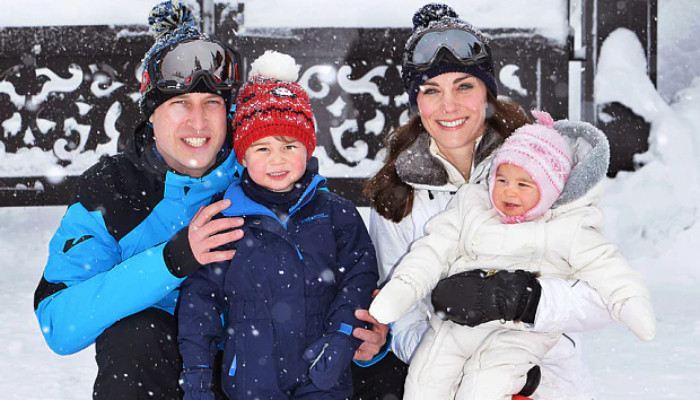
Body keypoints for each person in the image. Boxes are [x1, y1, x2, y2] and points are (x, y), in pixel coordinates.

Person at [32, 2, 385, 399]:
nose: (198, 122)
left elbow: (337, 266)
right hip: (174, 370)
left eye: (211, 103)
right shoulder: (114, 189)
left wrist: (369, 339)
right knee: (134, 336)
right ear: (151, 113)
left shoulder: (263, 166)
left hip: (267, 363)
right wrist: (171, 261)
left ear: (229, 111)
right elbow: (58, 325)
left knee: (381, 369)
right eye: (180, 103)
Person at [363, 4, 618, 400]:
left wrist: (521, 300)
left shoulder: (541, 165)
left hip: (544, 379)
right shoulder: (399, 194)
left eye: (464, 86)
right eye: (431, 91)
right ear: (416, 102)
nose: (448, 106)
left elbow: (600, 296)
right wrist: (455, 351)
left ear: (487, 92)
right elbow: (405, 320)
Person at [369, 110, 657, 399]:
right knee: (425, 378)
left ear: (549, 189)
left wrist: (628, 300)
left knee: (484, 384)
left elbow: (606, 266)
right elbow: (432, 249)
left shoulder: (566, 227)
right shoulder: (473, 208)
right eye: (502, 180)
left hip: (520, 335)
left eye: (523, 184)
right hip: (459, 324)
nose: (509, 192)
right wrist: (405, 287)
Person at [176, 50, 379, 400]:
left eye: (289, 146)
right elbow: (200, 300)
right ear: (243, 155)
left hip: (322, 377)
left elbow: (359, 278)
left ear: (308, 148)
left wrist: (342, 336)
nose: (277, 160)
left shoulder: (336, 214)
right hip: (250, 381)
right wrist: (197, 371)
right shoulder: (224, 217)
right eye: (262, 149)